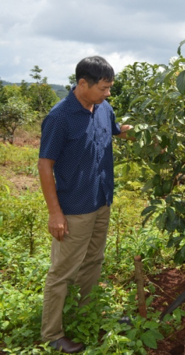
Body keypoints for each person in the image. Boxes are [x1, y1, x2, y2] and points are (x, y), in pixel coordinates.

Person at [38, 56, 133, 353]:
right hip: (74, 207)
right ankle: (52, 333)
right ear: (83, 84)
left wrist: (131, 130)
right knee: (62, 272)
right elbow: (44, 165)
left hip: (101, 199)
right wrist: (55, 213)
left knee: (93, 262)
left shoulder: (104, 109)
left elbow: (113, 130)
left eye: (109, 88)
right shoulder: (60, 117)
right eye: (104, 88)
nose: (108, 94)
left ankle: (88, 313)